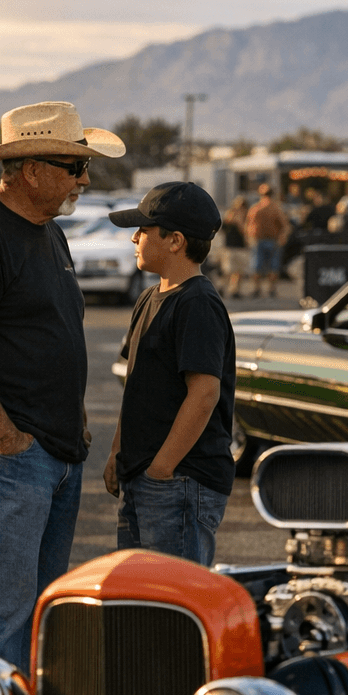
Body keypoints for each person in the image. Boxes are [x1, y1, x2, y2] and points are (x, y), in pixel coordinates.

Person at [0, 100, 124, 671]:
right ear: (32, 169)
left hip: (50, 453)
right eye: (73, 167)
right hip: (4, 457)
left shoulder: (48, 233)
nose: (84, 180)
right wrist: (6, 437)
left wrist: (73, 423)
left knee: (39, 611)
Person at [103, 182, 236, 566]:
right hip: (142, 476)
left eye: (143, 230)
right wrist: (117, 451)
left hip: (178, 482)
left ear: (175, 240)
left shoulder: (197, 304)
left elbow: (204, 393)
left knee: (170, 608)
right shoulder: (149, 297)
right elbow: (137, 387)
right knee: (139, 603)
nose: (134, 237)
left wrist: (162, 470)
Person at [246, 183, 289, 295]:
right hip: (263, 240)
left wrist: (281, 238)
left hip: (268, 240)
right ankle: (264, 289)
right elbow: (249, 225)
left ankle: (266, 289)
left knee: (264, 266)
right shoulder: (273, 208)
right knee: (262, 266)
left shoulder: (259, 208)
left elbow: (285, 226)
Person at [219, 195, 250, 298]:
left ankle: (235, 290)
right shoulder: (229, 215)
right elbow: (222, 230)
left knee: (239, 271)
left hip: (241, 246)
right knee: (227, 270)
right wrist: (230, 220)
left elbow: (246, 232)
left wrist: (240, 222)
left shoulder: (246, 217)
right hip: (229, 247)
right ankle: (222, 287)